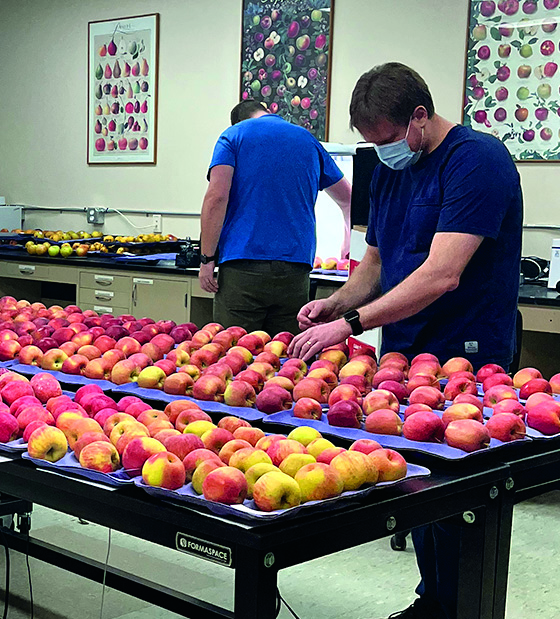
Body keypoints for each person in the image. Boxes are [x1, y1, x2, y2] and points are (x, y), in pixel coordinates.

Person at [288, 63, 523, 618]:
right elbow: (377, 259)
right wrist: (337, 303)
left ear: (420, 116)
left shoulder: (476, 161)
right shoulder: (394, 167)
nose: (382, 150)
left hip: (467, 352)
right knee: (416, 481)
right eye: (372, 142)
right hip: (405, 353)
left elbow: (442, 273)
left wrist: (349, 326)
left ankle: (462, 606)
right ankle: (432, 601)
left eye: (388, 139)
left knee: (461, 489)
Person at [199, 100, 352, 334]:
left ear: (240, 120)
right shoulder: (307, 140)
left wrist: (206, 260)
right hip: (296, 270)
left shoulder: (233, 136)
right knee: (285, 356)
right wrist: (347, 243)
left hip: (243, 268)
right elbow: (348, 198)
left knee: (234, 353)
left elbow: (216, 199)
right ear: (268, 111)